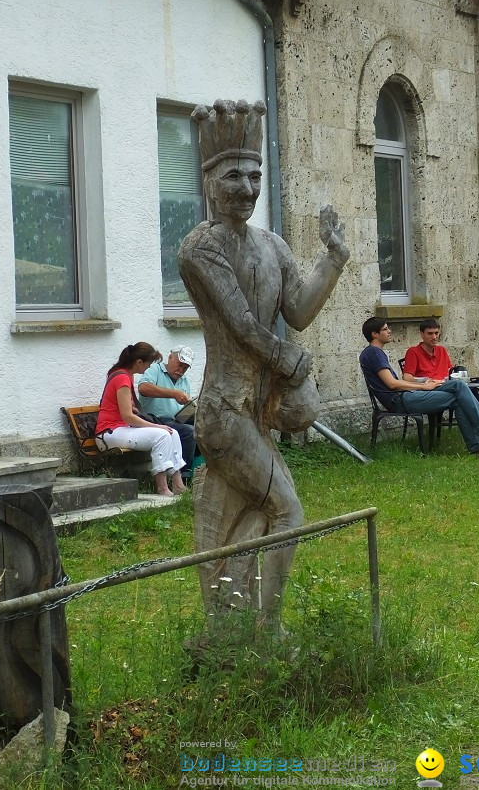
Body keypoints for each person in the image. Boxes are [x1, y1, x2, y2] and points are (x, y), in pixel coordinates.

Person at [177, 99, 349, 626]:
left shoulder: (273, 244)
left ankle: (232, 619)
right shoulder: (200, 247)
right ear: (209, 180)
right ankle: (262, 629)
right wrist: (291, 363)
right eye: (234, 177)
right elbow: (242, 325)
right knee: (286, 509)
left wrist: (333, 260)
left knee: (255, 511)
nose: (248, 189)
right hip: (225, 412)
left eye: (255, 176)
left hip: (259, 409)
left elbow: (296, 311)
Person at [360, 317, 479, 456]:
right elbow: (392, 383)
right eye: (385, 329)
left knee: (458, 392)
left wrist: (426, 384)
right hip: (400, 400)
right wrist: (424, 386)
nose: (389, 331)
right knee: (458, 392)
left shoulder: (373, 352)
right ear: (375, 334)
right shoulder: (374, 353)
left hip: (405, 396)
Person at [96, 343, 187, 497]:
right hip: (108, 433)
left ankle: (178, 484)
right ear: (139, 362)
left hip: (120, 429)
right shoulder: (123, 378)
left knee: (173, 433)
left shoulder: (125, 375)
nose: (148, 367)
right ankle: (162, 488)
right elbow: (128, 417)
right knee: (162, 435)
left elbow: (125, 410)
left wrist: (134, 409)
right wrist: (156, 426)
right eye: (148, 363)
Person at [402, 318, 479, 426]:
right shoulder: (413, 352)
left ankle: (478, 391)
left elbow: (451, 371)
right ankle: (478, 395)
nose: (434, 337)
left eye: (436, 333)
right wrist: (427, 381)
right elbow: (407, 378)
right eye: (430, 334)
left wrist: (459, 374)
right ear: (422, 334)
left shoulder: (441, 350)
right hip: (435, 389)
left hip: (452, 384)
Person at [136, 345, 197, 477]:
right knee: (188, 432)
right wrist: (174, 394)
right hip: (154, 420)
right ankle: (183, 476)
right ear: (170, 357)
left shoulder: (184, 380)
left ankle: (197, 471)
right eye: (179, 365)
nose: (181, 370)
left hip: (175, 420)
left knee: (202, 429)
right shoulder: (155, 369)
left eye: (185, 368)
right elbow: (143, 388)